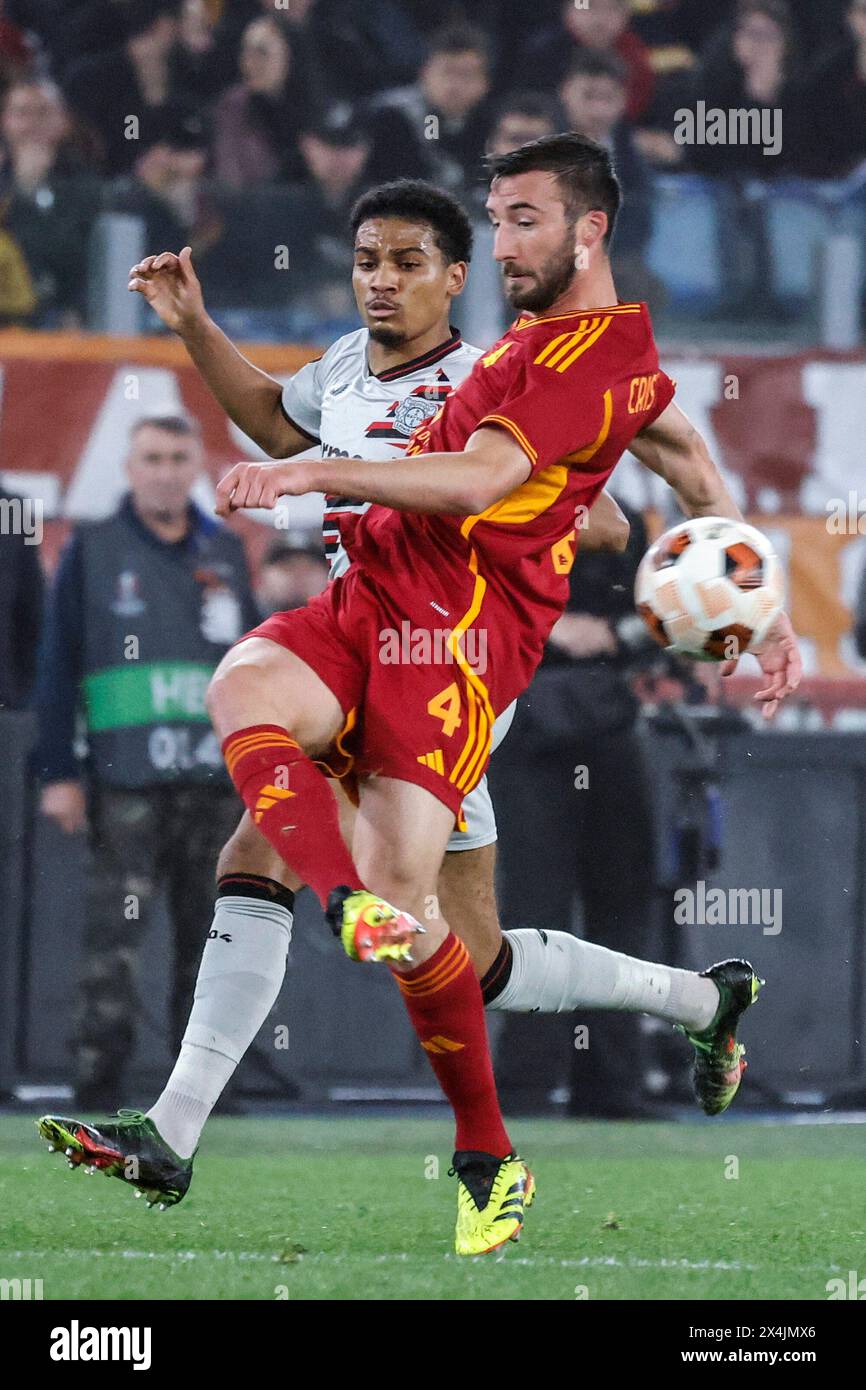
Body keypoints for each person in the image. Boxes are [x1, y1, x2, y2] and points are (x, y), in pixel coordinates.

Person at [39, 143, 801, 1255]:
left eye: (413, 258)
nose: (383, 278)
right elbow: (281, 425)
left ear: (457, 280)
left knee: (425, 932)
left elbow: (582, 494)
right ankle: (174, 1128)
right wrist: (196, 327)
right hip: (368, 623)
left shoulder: (502, 372)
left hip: (451, 659)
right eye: (365, 260)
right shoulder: (348, 366)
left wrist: (597, 525)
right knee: (306, 857)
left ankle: (491, 1138)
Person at [33, 414, 260, 1108]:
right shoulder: (92, 549)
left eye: (177, 458)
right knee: (115, 940)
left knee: (215, 941)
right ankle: (97, 1084)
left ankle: (203, 1088)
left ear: (195, 466)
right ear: (129, 469)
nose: (165, 470)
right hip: (125, 778)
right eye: (151, 458)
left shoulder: (223, 549)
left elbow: (254, 667)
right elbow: (56, 661)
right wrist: (58, 773)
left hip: (215, 782)